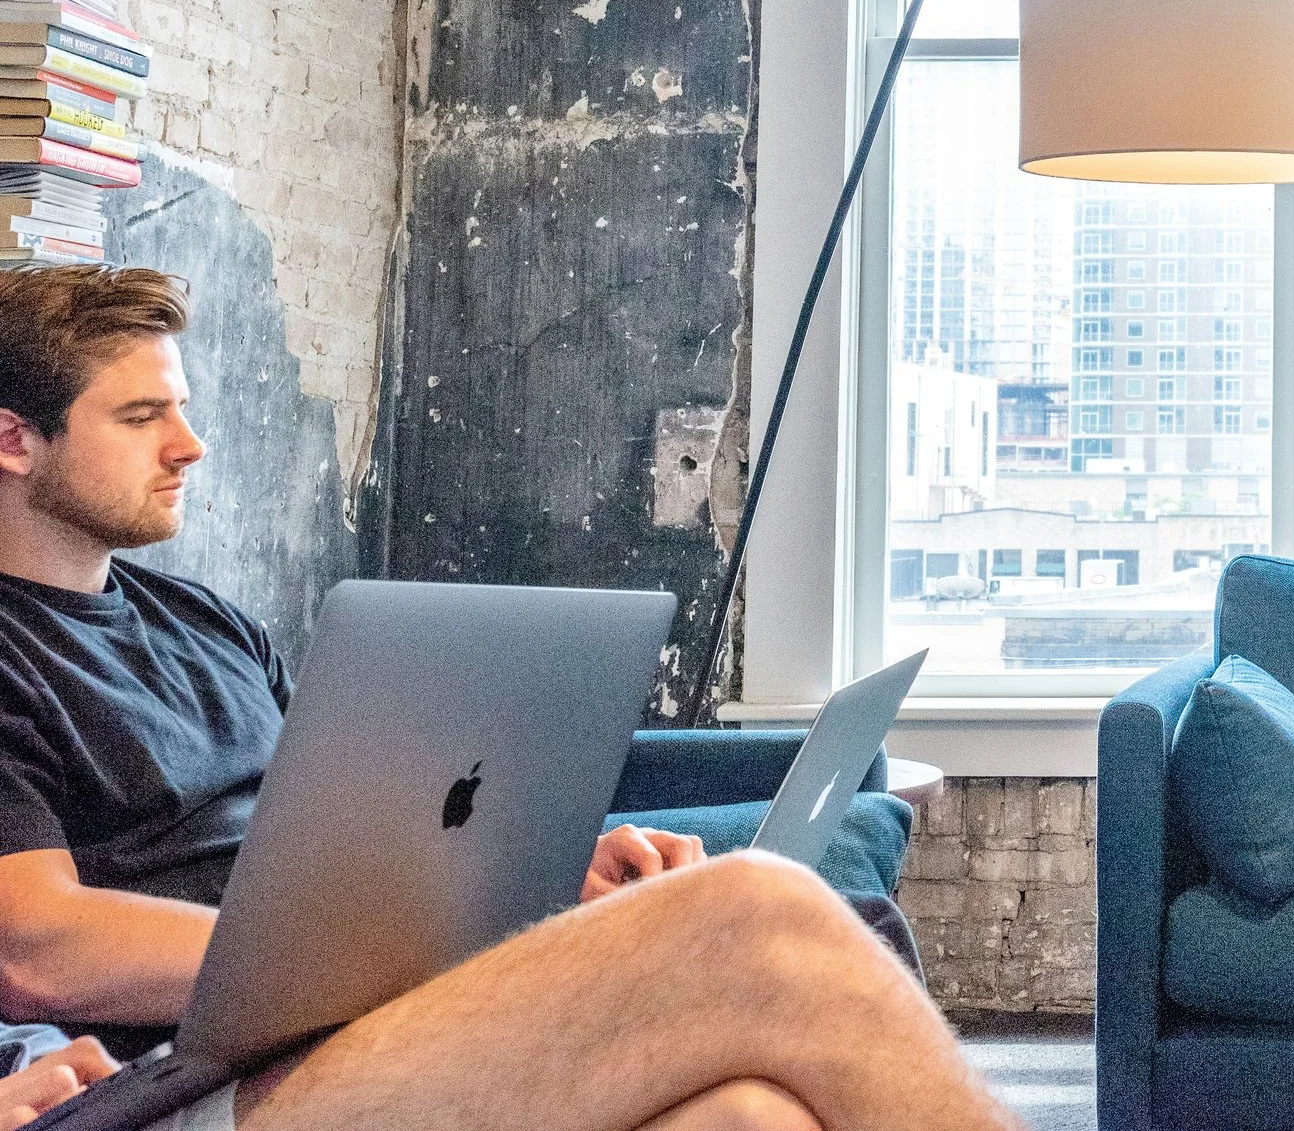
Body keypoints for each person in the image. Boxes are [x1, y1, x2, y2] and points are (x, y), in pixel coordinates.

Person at [0, 265, 1016, 1131]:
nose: (189, 444)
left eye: (180, 408)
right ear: (14, 441)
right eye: (140, 417)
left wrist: (538, 881)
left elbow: (348, 846)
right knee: (756, 908)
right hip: (191, 1081)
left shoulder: (204, 622)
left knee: (752, 1114)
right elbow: (39, 951)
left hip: (347, 1022)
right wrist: (412, 943)